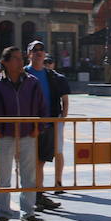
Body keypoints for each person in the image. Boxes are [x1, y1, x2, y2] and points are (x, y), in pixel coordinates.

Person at [0, 46, 45, 221]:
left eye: (20, 58)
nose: (20, 62)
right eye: (16, 58)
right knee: (3, 177)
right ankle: (4, 213)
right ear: (5, 62)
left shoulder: (32, 82)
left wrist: (37, 128)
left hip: (28, 135)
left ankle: (28, 212)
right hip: (5, 136)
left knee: (29, 176)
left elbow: (42, 108)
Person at [25, 42, 70, 212]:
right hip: (26, 125)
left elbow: (62, 99)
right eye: (34, 50)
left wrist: (60, 119)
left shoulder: (52, 76)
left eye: (41, 50)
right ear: (28, 54)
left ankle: (38, 194)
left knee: (41, 161)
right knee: (28, 162)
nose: (38, 53)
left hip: (48, 123)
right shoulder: (23, 74)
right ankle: (32, 195)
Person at [43, 55, 70, 195]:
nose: (47, 64)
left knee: (58, 150)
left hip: (56, 118)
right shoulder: (33, 76)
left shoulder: (59, 78)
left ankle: (58, 182)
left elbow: (65, 100)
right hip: (39, 119)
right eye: (45, 62)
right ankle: (37, 185)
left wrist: (63, 118)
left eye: (49, 62)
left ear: (54, 64)